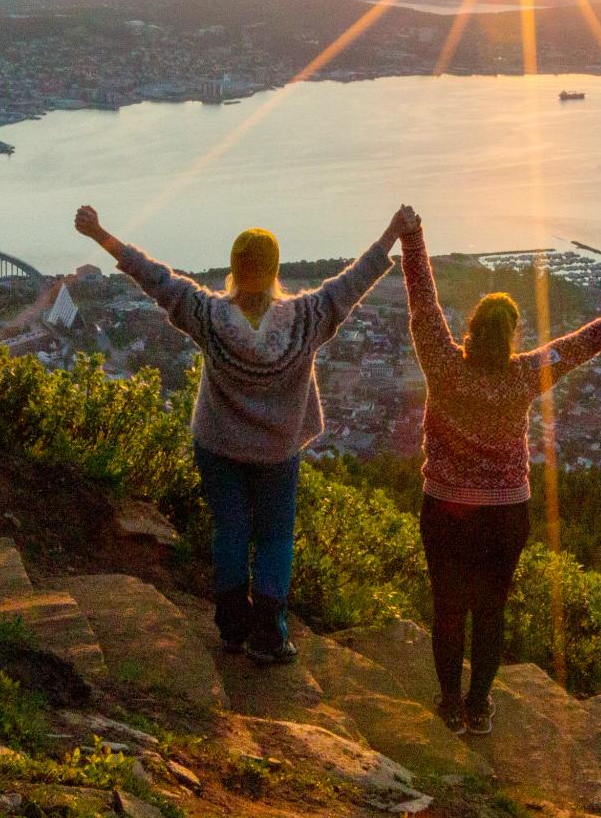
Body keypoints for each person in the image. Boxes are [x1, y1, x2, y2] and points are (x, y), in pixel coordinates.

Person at [75, 204, 407, 664]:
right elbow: (354, 282)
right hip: (276, 451)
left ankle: (231, 628)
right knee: (274, 538)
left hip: (219, 446)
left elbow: (155, 279)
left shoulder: (210, 317)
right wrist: (392, 231)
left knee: (229, 530)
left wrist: (101, 235)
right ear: (275, 270)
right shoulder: (305, 320)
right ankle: (269, 637)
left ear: (233, 269)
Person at [397, 211, 601, 734]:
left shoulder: (441, 361)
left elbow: (422, 305)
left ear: (472, 330)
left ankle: (451, 707)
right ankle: (479, 709)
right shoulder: (526, 372)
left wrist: (413, 237)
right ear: (511, 337)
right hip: (504, 515)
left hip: (448, 510)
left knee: (449, 607)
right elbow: (586, 342)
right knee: (491, 610)